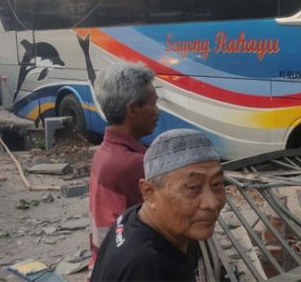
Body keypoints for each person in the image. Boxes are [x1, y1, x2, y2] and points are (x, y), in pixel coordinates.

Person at [91, 129, 225, 282]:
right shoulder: (148, 267)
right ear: (149, 193)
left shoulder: (132, 217)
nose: (212, 203)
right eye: (193, 188)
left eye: (217, 184)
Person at [88, 62, 160, 273]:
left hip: (106, 261)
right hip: (128, 269)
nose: (157, 111)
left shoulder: (104, 152)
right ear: (132, 109)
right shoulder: (134, 164)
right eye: (153, 104)